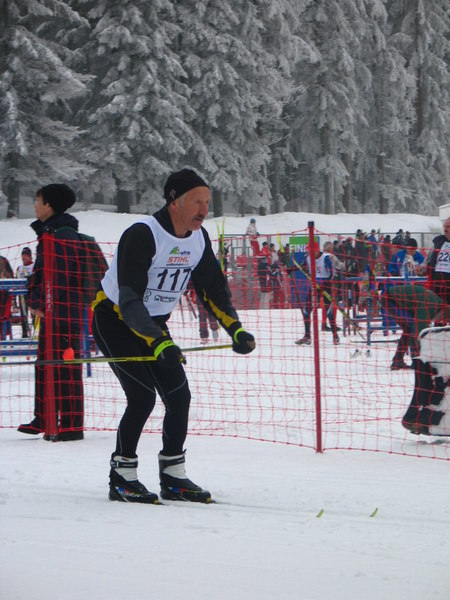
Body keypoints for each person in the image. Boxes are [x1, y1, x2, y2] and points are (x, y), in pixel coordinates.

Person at [92, 168, 255, 504]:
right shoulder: (143, 234)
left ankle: (173, 476)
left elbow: (212, 290)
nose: (204, 210)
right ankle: (122, 476)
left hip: (152, 324)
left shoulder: (198, 238)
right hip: (116, 319)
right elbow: (130, 300)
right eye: (197, 202)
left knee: (179, 397)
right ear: (174, 201)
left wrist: (235, 328)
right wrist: (158, 341)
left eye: (207, 202)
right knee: (142, 397)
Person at [17, 184, 84, 441]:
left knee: (66, 367)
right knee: (45, 363)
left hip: (62, 314)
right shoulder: (50, 233)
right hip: (53, 311)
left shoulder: (63, 235)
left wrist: (44, 303)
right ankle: (43, 417)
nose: (35, 206)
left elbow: (59, 277)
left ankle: (70, 425)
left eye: (38, 201)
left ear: (49, 205)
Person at [383, 283, 449, 370]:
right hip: (390, 299)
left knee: (408, 330)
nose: (441, 321)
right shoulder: (430, 305)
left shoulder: (436, 304)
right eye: (443, 320)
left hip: (394, 298)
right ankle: (414, 361)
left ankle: (398, 360)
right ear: (443, 313)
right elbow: (418, 329)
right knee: (412, 329)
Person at [295, 241, 339, 345]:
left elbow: (333, 274)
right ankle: (307, 336)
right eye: (308, 251)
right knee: (307, 310)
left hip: (325, 286)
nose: (309, 253)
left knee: (329, 312)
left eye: (311, 251)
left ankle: (335, 336)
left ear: (316, 250)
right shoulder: (308, 258)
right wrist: (290, 269)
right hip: (314, 287)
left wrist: (325, 282)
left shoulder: (325, 258)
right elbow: (301, 266)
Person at [426, 216, 450, 306]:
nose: (445, 229)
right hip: (437, 284)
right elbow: (428, 260)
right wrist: (421, 268)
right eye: (445, 226)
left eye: (448, 227)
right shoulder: (439, 242)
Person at [15, 247, 34, 338]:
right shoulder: (19, 268)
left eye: (25, 255)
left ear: (30, 256)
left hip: (33, 294)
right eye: (22, 256)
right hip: (22, 296)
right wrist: (14, 301)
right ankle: (25, 335)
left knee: (34, 315)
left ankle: (36, 334)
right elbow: (15, 282)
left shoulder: (35, 266)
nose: (24, 258)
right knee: (23, 316)